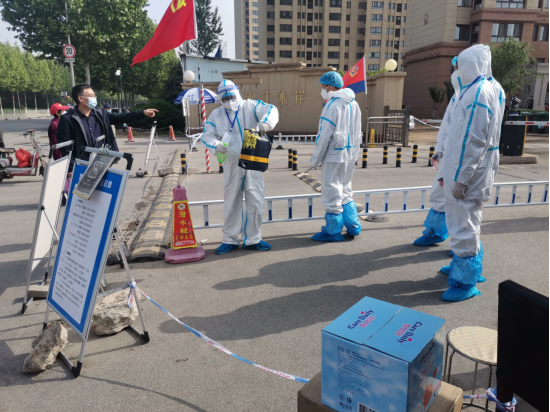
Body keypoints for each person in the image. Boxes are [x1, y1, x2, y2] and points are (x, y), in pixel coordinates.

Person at [438, 44, 505, 302]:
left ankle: (465, 281)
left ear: (470, 65)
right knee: (465, 220)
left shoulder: (478, 92)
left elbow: (473, 140)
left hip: (468, 171)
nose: (456, 70)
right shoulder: (474, 90)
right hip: (464, 167)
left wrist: (461, 179)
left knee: (464, 222)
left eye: (459, 65)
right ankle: (464, 265)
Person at [201, 80, 279, 254]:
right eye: (225, 98)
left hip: (252, 162)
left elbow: (271, 109)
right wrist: (215, 145)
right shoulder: (216, 115)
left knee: (256, 201)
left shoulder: (251, 106)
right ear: (220, 99)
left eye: (231, 96)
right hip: (231, 164)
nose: (229, 101)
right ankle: (229, 239)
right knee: (231, 203)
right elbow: (207, 135)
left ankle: (253, 239)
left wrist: (266, 123)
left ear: (237, 94)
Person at [309, 71, 362, 242]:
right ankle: (353, 226)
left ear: (330, 87)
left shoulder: (332, 105)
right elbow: (358, 133)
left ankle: (332, 232)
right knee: (345, 190)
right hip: (350, 155)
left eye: (323, 86)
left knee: (331, 191)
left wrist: (315, 160)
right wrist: (355, 154)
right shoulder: (354, 104)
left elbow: (324, 136)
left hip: (334, 156)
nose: (322, 89)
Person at [57, 84, 158, 171]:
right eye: (91, 96)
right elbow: (65, 147)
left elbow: (120, 117)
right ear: (80, 98)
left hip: (102, 161)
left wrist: (142, 113)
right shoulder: (68, 119)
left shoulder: (100, 113)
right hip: (82, 164)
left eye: (94, 95)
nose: (94, 98)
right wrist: (71, 168)